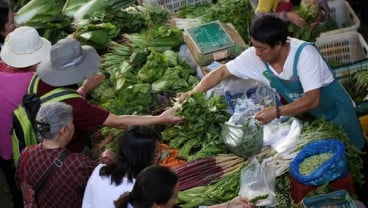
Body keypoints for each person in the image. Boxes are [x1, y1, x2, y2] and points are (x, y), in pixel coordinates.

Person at [178, 15, 368, 204]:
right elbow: (221, 72)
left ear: (278, 45)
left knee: (356, 152)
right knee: (331, 160)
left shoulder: (304, 55)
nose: (256, 52)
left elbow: (312, 99)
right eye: (253, 45)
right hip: (306, 113)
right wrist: (192, 93)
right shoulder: (256, 56)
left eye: (261, 48)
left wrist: (276, 112)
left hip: (335, 109)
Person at [34, 38, 182, 153]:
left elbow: (61, 99)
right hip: (65, 151)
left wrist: (84, 89)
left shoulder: (39, 79)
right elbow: (119, 122)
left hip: (42, 140)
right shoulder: (76, 106)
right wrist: (161, 118)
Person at [0, 26, 51, 208]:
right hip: (24, 146)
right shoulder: (37, 82)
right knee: (29, 183)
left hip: (3, 144)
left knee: (11, 179)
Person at [15, 102, 96, 208]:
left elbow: (19, 182)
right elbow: (98, 189)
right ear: (63, 130)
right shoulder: (79, 164)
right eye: (72, 122)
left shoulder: (26, 154)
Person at [82, 125, 162, 208]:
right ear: (143, 157)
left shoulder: (100, 171)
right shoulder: (144, 190)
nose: (159, 156)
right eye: (156, 154)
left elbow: (86, 204)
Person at [114, 165, 254, 208]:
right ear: (158, 206)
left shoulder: (142, 199)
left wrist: (229, 205)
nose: (177, 198)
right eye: (175, 196)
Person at [255, 0, 330, 28]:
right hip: (281, 43)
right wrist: (287, 16)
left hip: (307, 40)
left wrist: (320, 15)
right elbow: (259, 17)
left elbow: (325, 11)